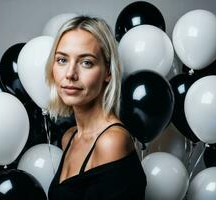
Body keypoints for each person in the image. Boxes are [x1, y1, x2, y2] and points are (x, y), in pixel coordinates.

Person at [46, 15, 146, 200]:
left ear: (108, 72)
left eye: (86, 62)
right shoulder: (69, 138)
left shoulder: (111, 141)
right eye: (62, 60)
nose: (70, 74)